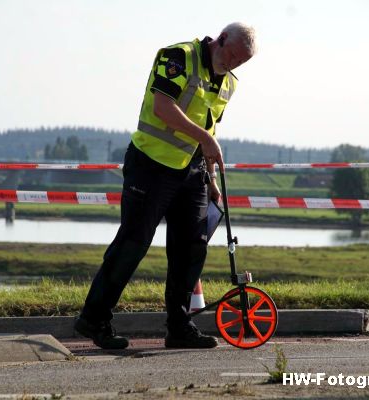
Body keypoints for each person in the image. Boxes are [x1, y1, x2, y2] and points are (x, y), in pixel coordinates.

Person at [75, 22, 257, 349]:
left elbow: (208, 130)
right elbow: (163, 108)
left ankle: (179, 327)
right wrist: (204, 139)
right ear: (222, 38)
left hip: (192, 172)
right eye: (233, 55)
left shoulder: (229, 84)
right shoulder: (178, 57)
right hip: (150, 165)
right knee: (133, 243)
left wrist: (211, 178)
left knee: (192, 248)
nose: (234, 63)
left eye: (242, 62)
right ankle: (94, 318)